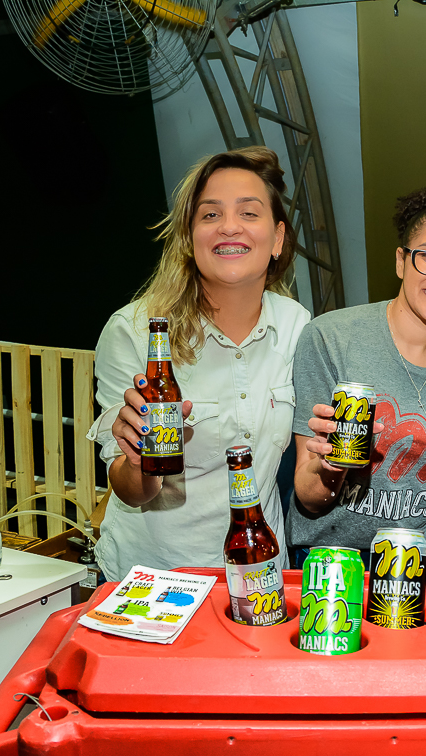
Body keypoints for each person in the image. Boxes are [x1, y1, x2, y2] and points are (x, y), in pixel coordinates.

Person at [88, 147, 310, 581]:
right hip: (153, 581)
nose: (229, 226)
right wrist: (138, 460)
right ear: (189, 239)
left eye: (249, 213)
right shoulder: (135, 333)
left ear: (278, 238)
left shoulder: (297, 326)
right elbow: (131, 491)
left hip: (259, 573)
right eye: (210, 214)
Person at [288, 186, 426, 571]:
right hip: (336, 561)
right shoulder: (330, 338)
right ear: (402, 261)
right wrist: (330, 468)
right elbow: (309, 498)